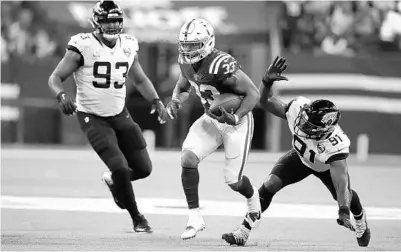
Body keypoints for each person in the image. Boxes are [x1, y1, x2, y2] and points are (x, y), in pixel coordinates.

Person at [222, 56, 371, 247]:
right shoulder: (299, 109)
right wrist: (267, 82)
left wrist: (343, 211)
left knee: (345, 195)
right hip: (300, 158)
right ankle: (243, 232)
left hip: (323, 166)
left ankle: (360, 219)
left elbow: (342, 186)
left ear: (323, 130)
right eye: (303, 120)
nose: (301, 124)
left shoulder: (336, 147)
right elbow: (265, 102)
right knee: (270, 185)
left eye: (308, 126)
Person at [48, 0, 168, 233]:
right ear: (96, 22)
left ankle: (115, 183)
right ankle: (137, 217)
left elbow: (140, 79)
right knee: (120, 167)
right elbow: (54, 78)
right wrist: (62, 96)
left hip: (119, 113)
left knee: (144, 169)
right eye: (107, 21)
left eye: (116, 21)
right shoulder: (82, 45)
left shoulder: (128, 44)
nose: (112, 26)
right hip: (92, 116)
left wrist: (155, 100)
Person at [166, 18, 262, 240]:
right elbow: (183, 86)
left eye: (193, 45)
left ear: (207, 43)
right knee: (188, 158)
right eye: (185, 44)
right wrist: (175, 101)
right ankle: (195, 217)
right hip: (211, 118)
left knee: (234, 181)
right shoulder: (185, 62)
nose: (188, 49)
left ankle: (253, 201)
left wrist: (236, 116)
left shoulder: (222, 64)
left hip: (237, 122)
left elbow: (253, 93)